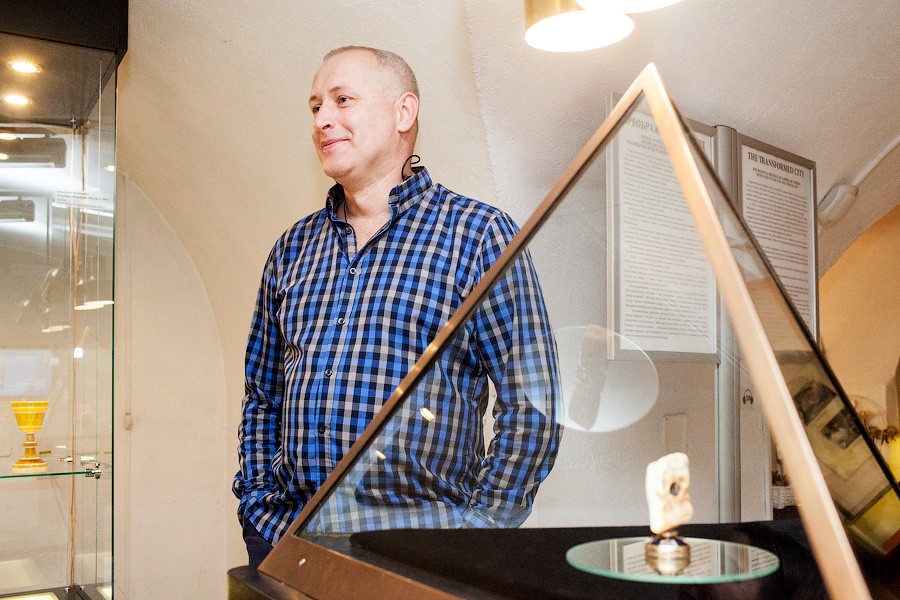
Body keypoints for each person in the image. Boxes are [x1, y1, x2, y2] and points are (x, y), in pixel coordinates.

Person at [233, 46, 560, 568]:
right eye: (315, 106)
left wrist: (476, 536)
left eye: (342, 100)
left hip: (422, 558)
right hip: (292, 547)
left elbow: (533, 403)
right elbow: (262, 394)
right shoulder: (292, 249)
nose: (322, 120)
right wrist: (260, 514)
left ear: (403, 112)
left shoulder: (478, 236)